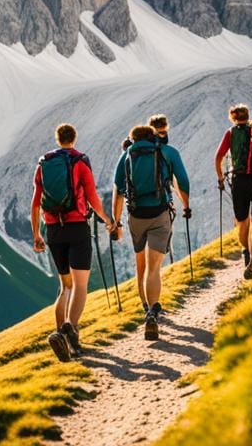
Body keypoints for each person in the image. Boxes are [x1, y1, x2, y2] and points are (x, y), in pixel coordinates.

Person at [32, 123, 113, 361]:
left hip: (53, 229)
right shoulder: (80, 162)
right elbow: (92, 198)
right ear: (74, 138)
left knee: (65, 285)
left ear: (57, 139)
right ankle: (70, 328)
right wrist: (107, 219)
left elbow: (36, 202)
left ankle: (60, 336)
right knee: (80, 286)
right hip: (77, 227)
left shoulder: (44, 165)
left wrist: (37, 233)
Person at [111, 124, 190, 340]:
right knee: (154, 267)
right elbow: (182, 181)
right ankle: (152, 314)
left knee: (141, 264)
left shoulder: (126, 155)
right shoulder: (167, 152)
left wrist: (116, 222)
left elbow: (118, 190)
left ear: (133, 139)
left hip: (136, 216)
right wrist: (186, 205)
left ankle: (145, 307)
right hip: (159, 213)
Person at [215, 104, 252, 279]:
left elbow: (219, 157)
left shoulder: (231, 133)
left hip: (240, 181)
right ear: (247, 116)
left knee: (242, 221)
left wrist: (220, 177)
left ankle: (245, 249)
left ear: (233, 118)